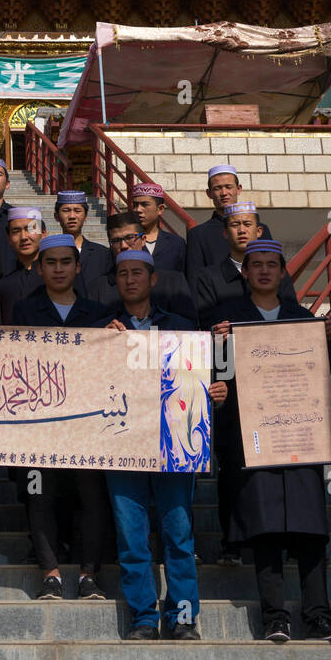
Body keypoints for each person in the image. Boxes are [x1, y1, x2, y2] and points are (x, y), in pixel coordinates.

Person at [210, 240, 331, 642]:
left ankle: (319, 615)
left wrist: (328, 341)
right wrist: (220, 346)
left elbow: (317, 373)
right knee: (266, 528)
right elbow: (222, 376)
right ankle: (275, 617)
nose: (265, 271)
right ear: (246, 273)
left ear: (283, 272)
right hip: (257, 438)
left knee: (310, 528)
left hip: (301, 437)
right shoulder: (228, 320)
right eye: (257, 265)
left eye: (272, 265)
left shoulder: (301, 318)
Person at [99, 250, 203, 639]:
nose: (130, 280)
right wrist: (102, 346)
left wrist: (215, 389)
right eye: (122, 273)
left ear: (153, 279)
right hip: (122, 443)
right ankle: (144, 616)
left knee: (178, 533)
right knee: (131, 535)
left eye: (137, 273)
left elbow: (198, 381)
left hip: (175, 440)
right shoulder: (104, 331)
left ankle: (183, 617)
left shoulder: (180, 327)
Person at [11, 234, 110, 601]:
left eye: (65, 262)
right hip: (39, 427)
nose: (58, 269)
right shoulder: (24, 312)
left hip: (86, 427)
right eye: (50, 263)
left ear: (78, 266)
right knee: (39, 496)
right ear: (39, 268)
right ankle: (50, 572)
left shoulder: (98, 315)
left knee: (92, 499)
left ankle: (88, 574)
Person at [86, 212, 197, 325]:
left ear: (143, 239)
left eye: (130, 237)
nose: (123, 245)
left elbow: (190, 327)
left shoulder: (173, 282)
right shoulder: (97, 289)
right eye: (116, 241)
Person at [195, 202, 296, 322]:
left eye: (247, 224)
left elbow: (292, 313)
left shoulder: (276, 274)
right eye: (235, 224)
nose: (242, 230)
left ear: (259, 231)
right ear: (225, 233)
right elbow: (208, 324)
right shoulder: (209, 277)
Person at [185, 164, 274, 287]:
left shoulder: (260, 229)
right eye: (217, 188)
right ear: (209, 193)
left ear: (238, 189)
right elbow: (194, 280)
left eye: (228, 187)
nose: (224, 193)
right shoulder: (198, 234)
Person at [0, 208, 47, 324]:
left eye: (31, 229)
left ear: (43, 234)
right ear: (9, 238)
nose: (24, 237)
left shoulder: (56, 278)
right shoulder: (3, 285)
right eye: (16, 231)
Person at [54, 190, 110, 291]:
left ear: (85, 216)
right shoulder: (50, 254)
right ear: (56, 216)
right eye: (66, 210)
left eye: (77, 211)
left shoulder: (103, 254)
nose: (72, 216)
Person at [130, 182, 186, 273]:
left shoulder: (176, 244)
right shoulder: (125, 242)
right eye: (135, 205)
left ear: (160, 209)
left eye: (145, 204)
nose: (138, 210)